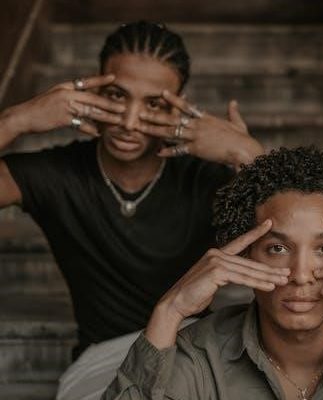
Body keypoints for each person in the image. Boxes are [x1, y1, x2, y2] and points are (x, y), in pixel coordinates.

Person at [0, 21, 263, 399]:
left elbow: (301, 242)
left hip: (195, 350)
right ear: (94, 89)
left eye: (153, 104)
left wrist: (250, 155)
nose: (128, 122)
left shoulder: (206, 179)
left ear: (180, 104)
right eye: (116, 96)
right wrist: (15, 120)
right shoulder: (57, 173)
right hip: (104, 359)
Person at [102, 146, 323, 400]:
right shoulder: (201, 353)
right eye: (277, 248)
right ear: (246, 256)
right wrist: (169, 309)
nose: (301, 275)